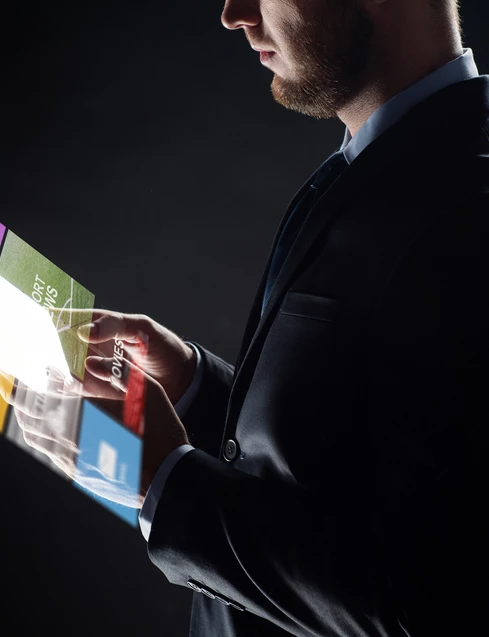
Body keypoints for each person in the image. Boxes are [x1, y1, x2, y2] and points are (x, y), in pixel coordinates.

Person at [11, 0, 489, 635]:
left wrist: (167, 480)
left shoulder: (470, 211)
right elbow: (351, 470)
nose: (233, 14)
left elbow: (422, 606)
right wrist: (197, 392)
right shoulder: (377, 159)